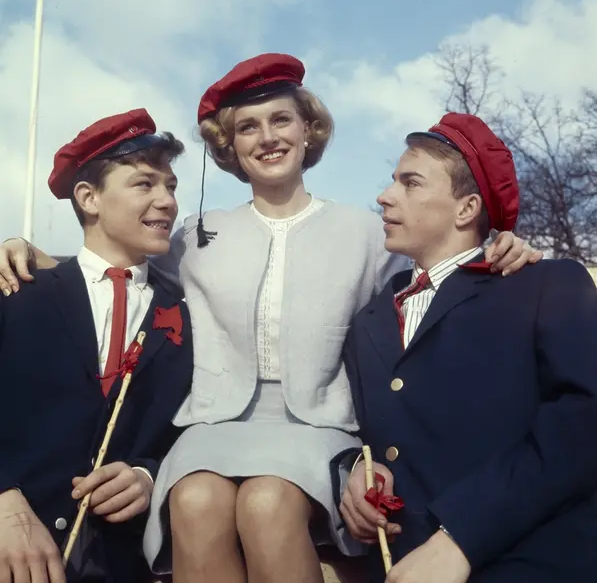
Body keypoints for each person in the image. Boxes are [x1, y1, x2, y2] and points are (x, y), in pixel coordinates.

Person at [0, 54, 540, 583]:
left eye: (281, 119)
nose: (267, 137)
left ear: (308, 130)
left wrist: (498, 244)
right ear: (229, 146)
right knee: (194, 501)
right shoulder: (191, 237)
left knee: (268, 503)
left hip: (319, 427)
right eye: (247, 127)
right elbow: (109, 263)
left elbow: (435, 280)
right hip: (210, 427)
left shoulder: (369, 235)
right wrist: (25, 250)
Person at [339, 112, 597, 583]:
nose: (384, 195)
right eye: (393, 181)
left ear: (466, 209)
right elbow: (365, 429)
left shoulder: (546, 285)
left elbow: (583, 420)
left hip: (531, 561)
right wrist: (358, 469)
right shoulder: (368, 319)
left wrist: (462, 538)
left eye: (410, 183)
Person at [0, 109, 194, 583]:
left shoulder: (189, 316)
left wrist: (149, 476)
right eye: (145, 184)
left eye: (171, 187)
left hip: (125, 562)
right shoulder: (17, 292)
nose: (167, 201)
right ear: (89, 198)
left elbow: (190, 430)